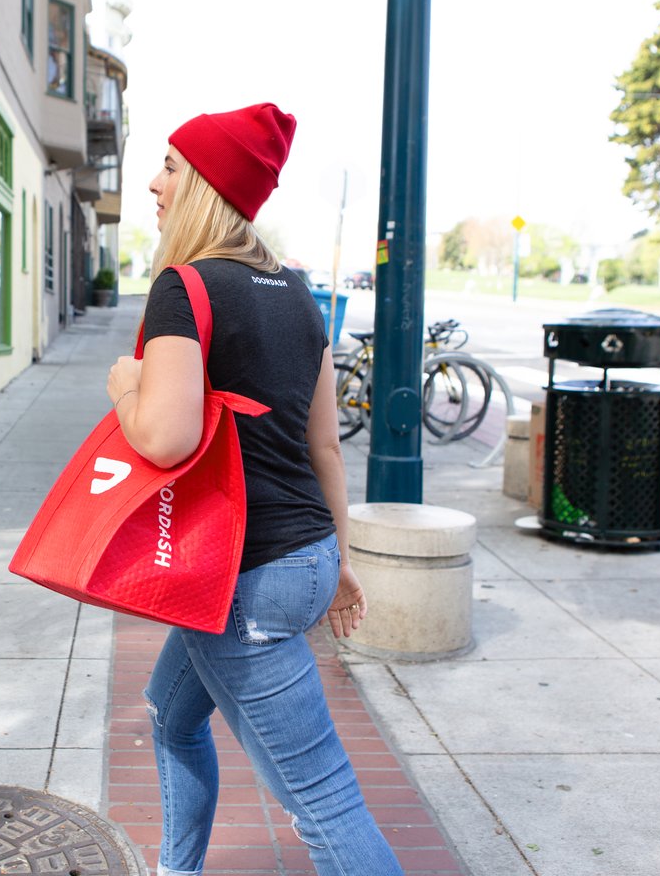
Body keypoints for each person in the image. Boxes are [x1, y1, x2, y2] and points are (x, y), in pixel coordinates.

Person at [105, 103, 404, 876]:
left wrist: (125, 389)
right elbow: (325, 446)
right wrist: (338, 562)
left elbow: (164, 436)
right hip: (301, 560)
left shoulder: (187, 287)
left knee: (324, 802)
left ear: (206, 184)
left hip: (239, 579)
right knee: (171, 716)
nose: (153, 183)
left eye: (170, 166)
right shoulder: (299, 293)